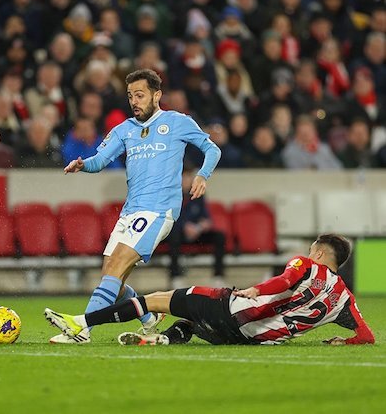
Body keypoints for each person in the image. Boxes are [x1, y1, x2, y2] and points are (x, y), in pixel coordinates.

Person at [58, 68, 221, 344]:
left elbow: (212, 149)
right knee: (112, 275)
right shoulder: (124, 130)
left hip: (159, 210)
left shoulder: (176, 122)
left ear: (157, 95)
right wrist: (84, 164)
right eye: (131, 96)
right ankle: (149, 318)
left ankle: (82, 328)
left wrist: (202, 176)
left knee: (119, 262)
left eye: (140, 95)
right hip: (130, 211)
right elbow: (100, 159)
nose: (134, 101)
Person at [45, 234, 375, 346]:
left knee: (155, 300)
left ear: (318, 252)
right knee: (190, 319)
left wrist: (255, 290)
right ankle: (164, 338)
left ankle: (81, 324)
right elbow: (366, 336)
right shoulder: (345, 299)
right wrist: (341, 339)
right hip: (248, 339)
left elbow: (286, 281)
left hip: (231, 310)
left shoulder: (306, 264)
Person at [168, 167, 226, 289]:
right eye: (182, 177)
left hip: (196, 233)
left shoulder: (198, 194)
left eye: (188, 177)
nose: (185, 180)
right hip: (179, 233)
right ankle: (176, 277)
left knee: (219, 236)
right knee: (174, 235)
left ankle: (218, 277)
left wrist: (204, 224)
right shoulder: (170, 195)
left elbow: (206, 217)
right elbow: (168, 218)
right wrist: (184, 226)